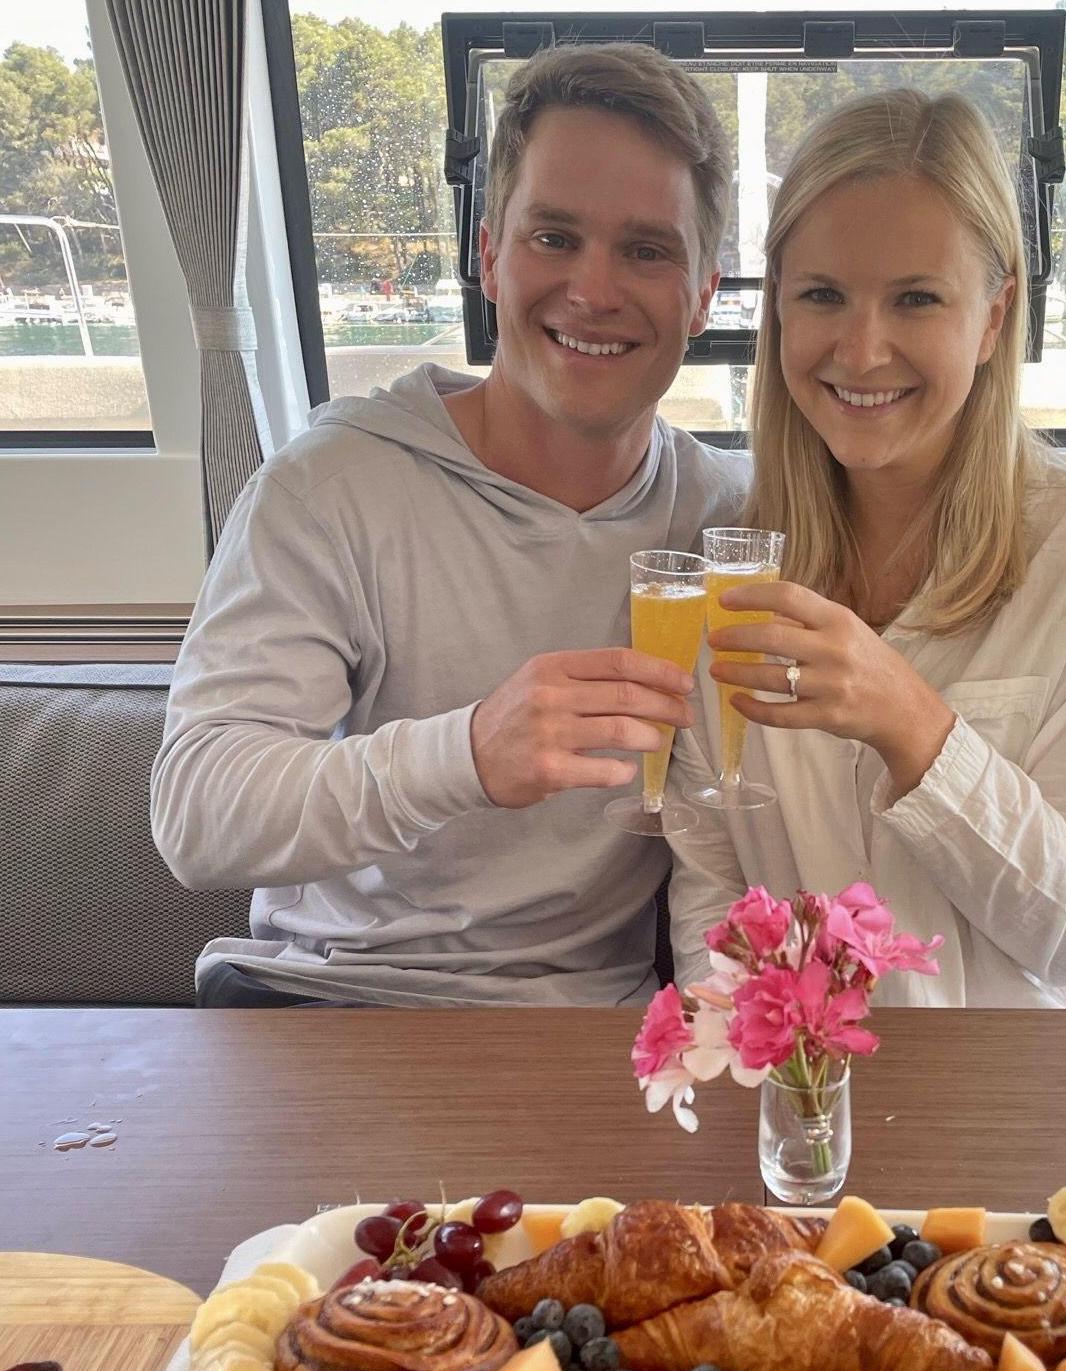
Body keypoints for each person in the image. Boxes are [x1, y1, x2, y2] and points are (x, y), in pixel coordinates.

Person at [152, 43, 749, 1007]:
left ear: (704, 294)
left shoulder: (727, 519)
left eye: (646, 250)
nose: (594, 290)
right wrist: (466, 754)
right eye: (553, 237)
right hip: (330, 1001)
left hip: (597, 1027)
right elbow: (198, 816)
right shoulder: (329, 488)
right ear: (488, 258)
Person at [668, 90, 1066, 1008]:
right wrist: (749, 1053)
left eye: (915, 299)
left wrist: (912, 723)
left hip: (1063, 1073)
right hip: (820, 1078)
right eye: (822, 296)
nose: (861, 351)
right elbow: (711, 885)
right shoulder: (729, 570)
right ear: (778, 310)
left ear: (992, 317)